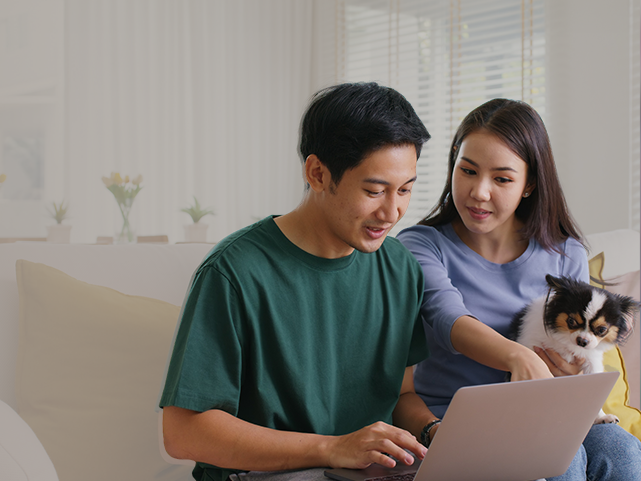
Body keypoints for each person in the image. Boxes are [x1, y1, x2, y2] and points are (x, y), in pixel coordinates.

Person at [159, 82, 438, 481]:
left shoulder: (399, 268)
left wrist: (432, 430)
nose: (393, 212)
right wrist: (333, 448)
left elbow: (400, 394)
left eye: (406, 190)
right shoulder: (233, 272)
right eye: (374, 190)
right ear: (318, 173)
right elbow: (183, 433)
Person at [397, 98, 641, 480]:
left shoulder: (565, 254)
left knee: (624, 451)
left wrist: (569, 375)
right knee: (565, 461)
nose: (479, 191)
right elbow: (447, 316)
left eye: (502, 178)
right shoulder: (421, 245)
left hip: (548, 415)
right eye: (468, 170)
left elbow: (578, 362)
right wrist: (520, 358)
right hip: (457, 422)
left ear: (529, 185)